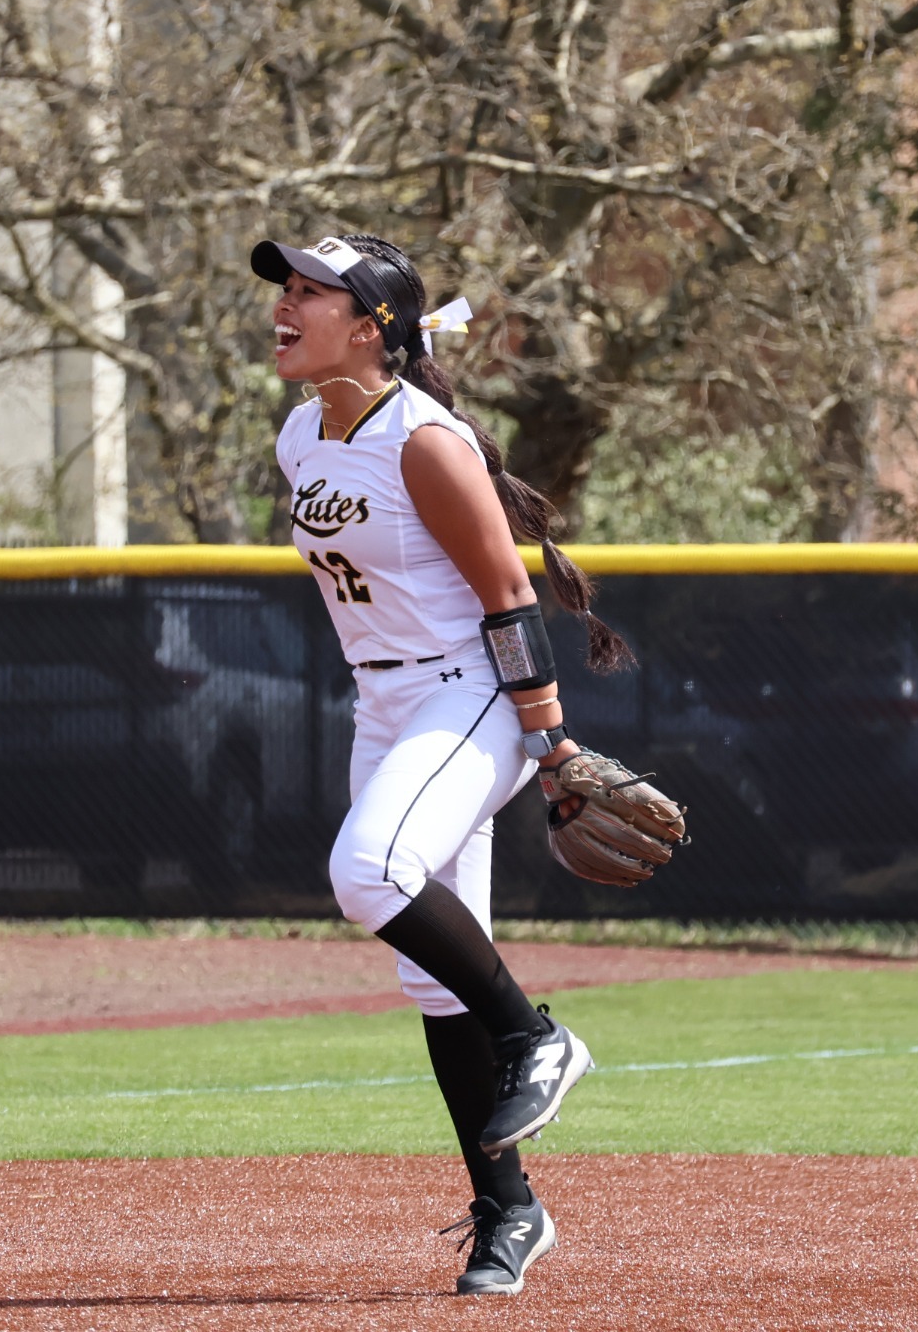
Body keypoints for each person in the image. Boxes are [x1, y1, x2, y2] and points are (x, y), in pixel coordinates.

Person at [255, 231, 635, 1297]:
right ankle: (509, 1210)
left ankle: (536, 1035)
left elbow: (507, 598)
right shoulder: (301, 435)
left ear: (369, 327)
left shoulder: (421, 440)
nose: (283, 306)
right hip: (384, 704)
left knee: (367, 870)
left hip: (466, 694)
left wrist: (547, 741)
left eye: (309, 292)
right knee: (431, 978)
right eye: (284, 288)